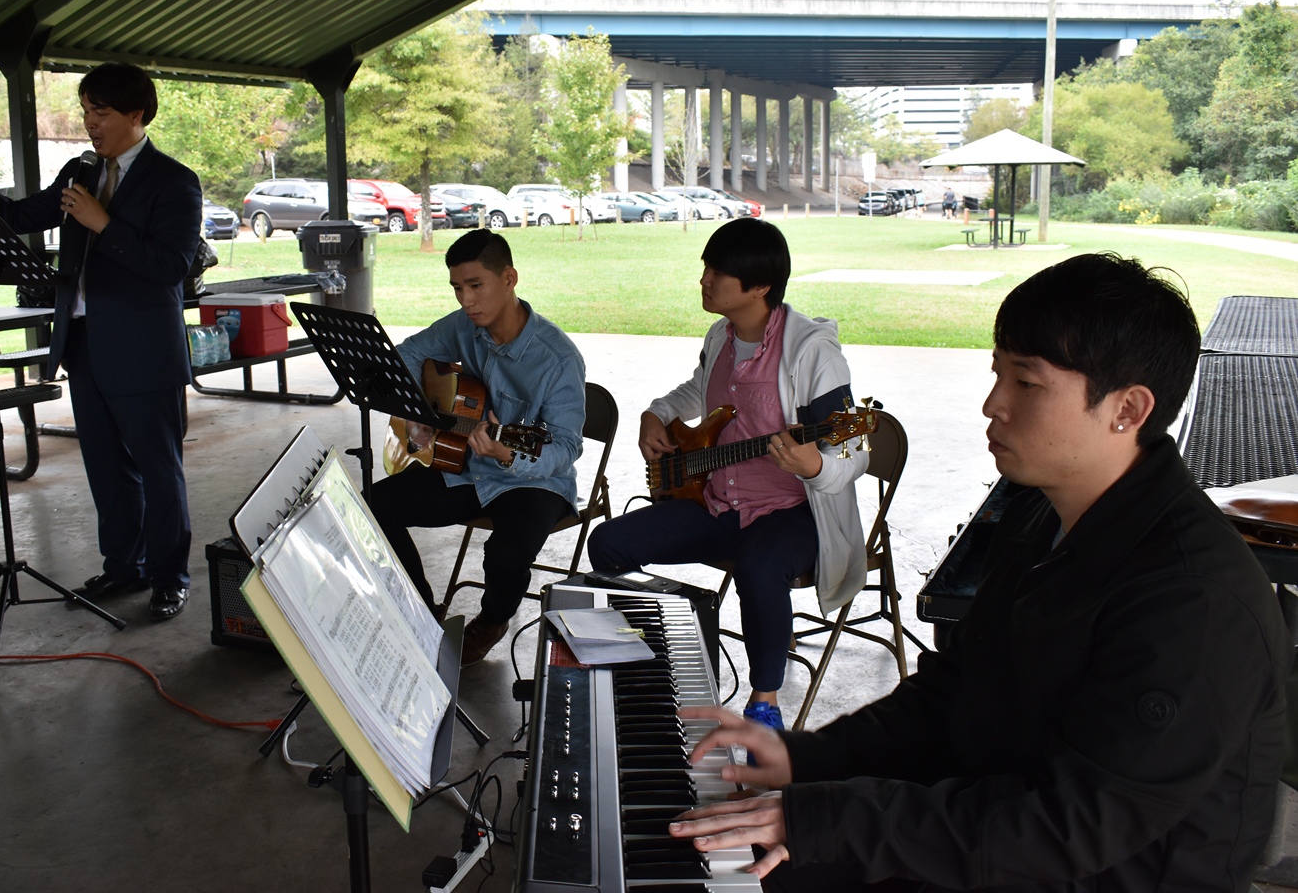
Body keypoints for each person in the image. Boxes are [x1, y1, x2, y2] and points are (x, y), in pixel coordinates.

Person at [670, 252, 1287, 892]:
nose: (993, 404)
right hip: (990, 828)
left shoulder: (1194, 599)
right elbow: (956, 691)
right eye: (998, 375)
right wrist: (803, 760)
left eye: (1027, 383)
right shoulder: (1039, 514)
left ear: (1127, 408)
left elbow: (1071, 826)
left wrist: (824, 818)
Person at [0, 63, 202, 621]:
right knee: (106, 467)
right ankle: (124, 566)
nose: (89, 123)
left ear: (137, 114)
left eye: (101, 112)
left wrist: (103, 224)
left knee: (158, 469)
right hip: (85, 343)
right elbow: (17, 215)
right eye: (85, 112)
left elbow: (171, 267)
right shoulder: (80, 170)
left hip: (145, 349)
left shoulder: (174, 181)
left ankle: (169, 577)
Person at [587, 218, 868, 731]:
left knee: (758, 567)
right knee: (607, 544)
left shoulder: (812, 353)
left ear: (760, 287)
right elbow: (699, 390)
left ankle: (765, 705)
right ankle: (656, 660)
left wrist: (815, 465)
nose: (704, 280)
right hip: (716, 504)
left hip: (791, 513)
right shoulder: (722, 335)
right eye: (706, 269)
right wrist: (656, 412)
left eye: (717, 272)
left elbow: (855, 449)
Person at [369, 229, 585, 665]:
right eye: (457, 288)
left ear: (509, 278)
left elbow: (565, 447)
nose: (466, 300)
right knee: (372, 506)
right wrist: (418, 409)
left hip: (535, 481)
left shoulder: (558, 358)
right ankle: (423, 614)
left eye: (475, 286)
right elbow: (407, 354)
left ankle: (492, 620)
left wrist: (508, 453)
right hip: (468, 468)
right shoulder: (463, 326)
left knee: (505, 553)